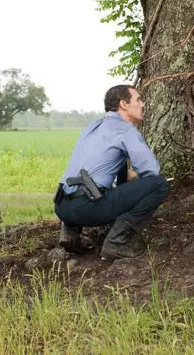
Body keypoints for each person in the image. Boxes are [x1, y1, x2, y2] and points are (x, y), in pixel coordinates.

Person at [53, 85, 169, 260]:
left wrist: (124, 180)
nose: (143, 104)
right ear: (123, 104)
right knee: (159, 184)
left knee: (91, 183)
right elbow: (151, 170)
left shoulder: (93, 126)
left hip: (61, 206)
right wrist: (138, 179)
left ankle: (69, 233)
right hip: (87, 208)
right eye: (138, 99)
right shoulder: (126, 130)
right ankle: (117, 241)